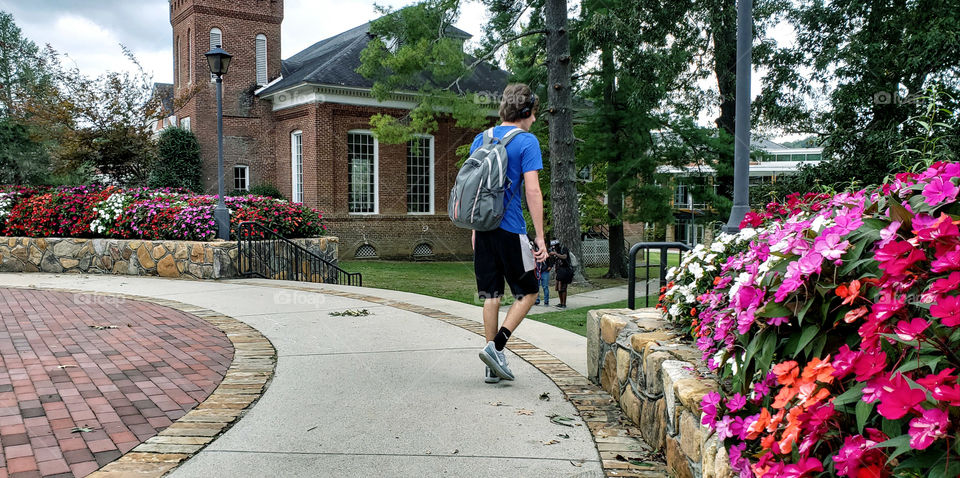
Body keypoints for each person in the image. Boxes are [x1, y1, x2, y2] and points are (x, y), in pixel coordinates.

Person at [471, 83, 548, 384]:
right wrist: (539, 237)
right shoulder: (527, 142)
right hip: (511, 229)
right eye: (534, 114)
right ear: (526, 111)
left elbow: (474, 187)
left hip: (483, 229)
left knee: (492, 295)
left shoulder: (481, 138)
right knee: (529, 291)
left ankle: (492, 367)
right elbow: (532, 190)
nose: (535, 120)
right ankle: (498, 347)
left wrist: (475, 228)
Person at [551, 239, 572, 308]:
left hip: (565, 270)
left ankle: (564, 304)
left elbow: (564, 257)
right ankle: (561, 302)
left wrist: (556, 254)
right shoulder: (556, 250)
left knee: (563, 288)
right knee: (559, 288)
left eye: (554, 246)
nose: (553, 247)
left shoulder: (564, 248)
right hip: (559, 271)